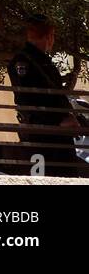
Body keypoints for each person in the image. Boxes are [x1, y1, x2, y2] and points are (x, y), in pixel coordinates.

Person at [7, 16, 82, 175]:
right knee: (55, 174)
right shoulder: (24, 61)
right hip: (43, 132)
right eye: (53, 35)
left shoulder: (40, 60)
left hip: (55, 131)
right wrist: (58, 121)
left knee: (67, 173)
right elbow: (27, 99)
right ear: (48, 37)